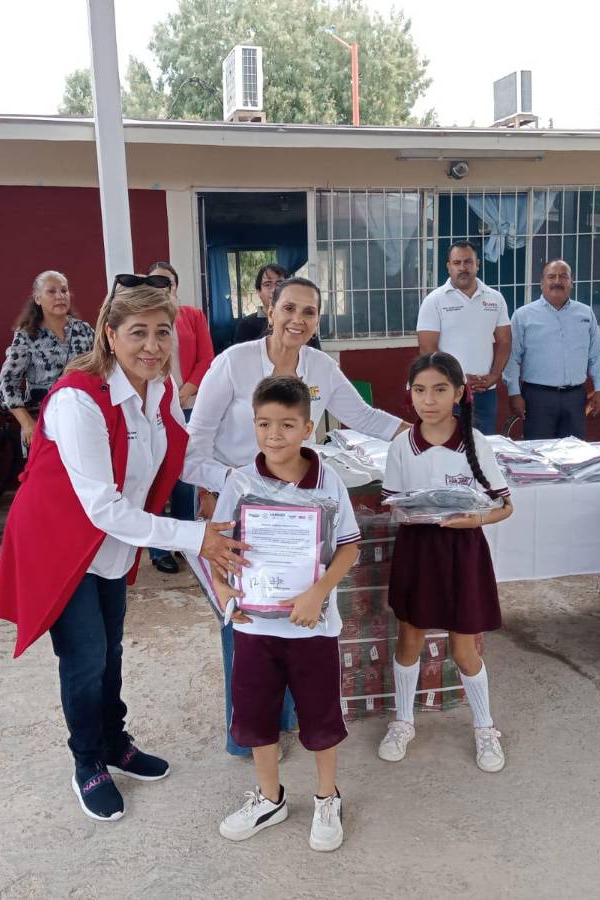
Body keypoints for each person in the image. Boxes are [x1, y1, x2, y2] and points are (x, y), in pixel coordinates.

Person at [0, 276, 251, 823]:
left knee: (111, 649)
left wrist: (250, 478)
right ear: (110, 335)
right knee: (84, 658)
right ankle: (87, 759)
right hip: (63, 543)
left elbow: (179, 463)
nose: (153, 346)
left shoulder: (157, 391)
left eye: (163, 332)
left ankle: (114, 740)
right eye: (139, 332)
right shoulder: (77, 400)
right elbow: (102, 506)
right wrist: (194, 537)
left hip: (111, 542)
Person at [188, 276, 409, 758]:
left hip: (295, 516)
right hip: (236, 508)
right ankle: (247, 733)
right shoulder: (233, 363)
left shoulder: (321, 368)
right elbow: (193, 450)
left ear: (317, 321)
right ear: (269, 309)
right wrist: (237, 485)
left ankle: (284, 721)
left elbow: (365, 417)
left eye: (309, 313)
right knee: (243, 620)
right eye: (289, 308)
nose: (297, 320)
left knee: (290, 613)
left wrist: (421, 436)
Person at [211, 375, 360, 852]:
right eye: (263, 423)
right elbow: (218, 545)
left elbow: (350, 548)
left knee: (319, 716)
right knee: (256, 712)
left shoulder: (328, 480)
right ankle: (270, 797)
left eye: (287, 424)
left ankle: (326, 796)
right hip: (255, 626)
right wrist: (223, 590)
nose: (274, 435)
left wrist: (318, 592)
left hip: (311, 627)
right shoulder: (241, 481)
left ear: (307, 427)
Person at [377, 352, 514, 772]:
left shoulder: (477, 443)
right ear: (410, 395)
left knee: (463, 647)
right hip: (418, 552)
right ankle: (403, 721)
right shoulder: (402, 445)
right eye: (420, 390)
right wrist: (412, 510)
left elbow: (505, 507)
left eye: (439, 389)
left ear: (458, 393)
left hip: (463, 552)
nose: (429, 400)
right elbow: (392, 503)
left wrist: (477, 518)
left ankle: (485, 727)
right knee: (410, 639)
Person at [146, 260, 215, 575]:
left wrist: (185, 390)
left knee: (185, 476)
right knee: (156, 475)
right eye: (154, 282)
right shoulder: (141, 320)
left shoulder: (192, 316)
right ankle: (159, 548)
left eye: (166, 282)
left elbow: (206, 357)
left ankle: (188, 541)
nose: (161, 288)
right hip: (150, 406)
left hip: (187, 403)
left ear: (175, 287)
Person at [502, 260, 600, 440]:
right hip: (538, 398)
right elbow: (512, 357)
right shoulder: (523, 315)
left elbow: (597, 354)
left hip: (575, 398)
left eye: (563, 276)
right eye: (551, 276)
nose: (557, 281)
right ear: (542, 283)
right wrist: (514, 393)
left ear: (571, 282)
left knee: (574, 456)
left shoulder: (585, 313)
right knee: (539, 455)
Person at [416, 241, 512, 434]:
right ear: (448, 266)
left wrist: (494, 375)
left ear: (478, 264)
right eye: (457, 262)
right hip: (448, 391)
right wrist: (457, 377)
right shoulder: (434, 300)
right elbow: (427, 349)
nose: (463, 267)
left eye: (468, 262)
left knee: (482, 449)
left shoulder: (495, 298)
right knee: (448, 448)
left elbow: (505, 341)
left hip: (485, 392)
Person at [0, 271, 96, 448]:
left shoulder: (84, 330)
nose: (60, 296)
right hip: (43, 422)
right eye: (51, 291)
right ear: (37, 298)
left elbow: (101, 366)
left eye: (64, 291)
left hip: (83, 416)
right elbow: (7, 383)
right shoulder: (27, 335)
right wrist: (27, 424)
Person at [232, 264, 321, 349]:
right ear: (259, 291)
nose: (274, 289)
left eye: (280, 284)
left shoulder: (302, 324)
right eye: (267, 284)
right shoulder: (246, 325)